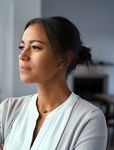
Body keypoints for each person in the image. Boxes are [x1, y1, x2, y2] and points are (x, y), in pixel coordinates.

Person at [0, 16, 107, 150]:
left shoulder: (89, 120)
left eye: (35, 47)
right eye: (22, 47)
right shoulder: (8, 109)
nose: (22, 55)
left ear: (63, 58)